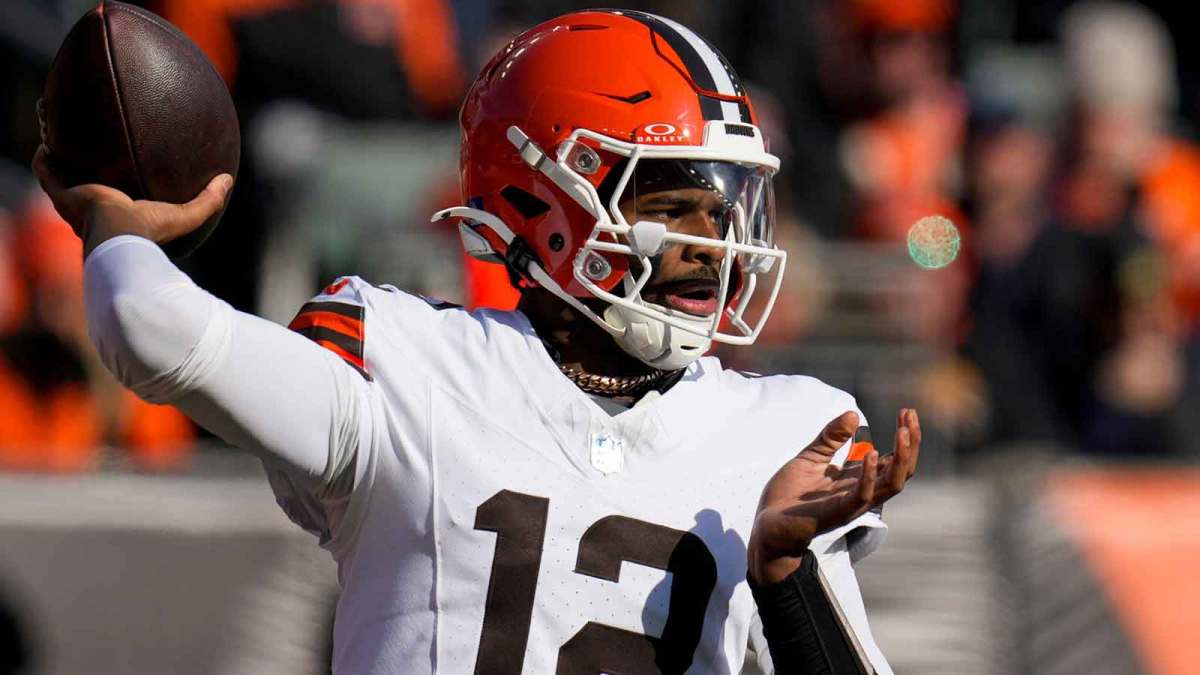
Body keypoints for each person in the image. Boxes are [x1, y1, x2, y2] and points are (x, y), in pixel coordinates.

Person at [35, 10, 919, 673]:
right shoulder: (409, 365)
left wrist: (787, 576)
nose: (710, 243)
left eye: (722, 210)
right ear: (543, 199)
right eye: (668, 203)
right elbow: (154, 331)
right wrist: (120, 224)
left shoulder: (781, 433)